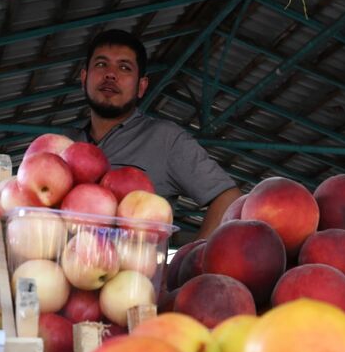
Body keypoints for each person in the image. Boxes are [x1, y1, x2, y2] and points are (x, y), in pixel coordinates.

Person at [69, 29, 242, 237]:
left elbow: (228, 197)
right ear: (84, 77)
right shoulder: (64, 144)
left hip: (135, 269)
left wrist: (194, 262)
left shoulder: (165, 139)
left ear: (141, 87)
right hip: (58, 268)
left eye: (124, 67)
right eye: (101, 64)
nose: (110, 74)